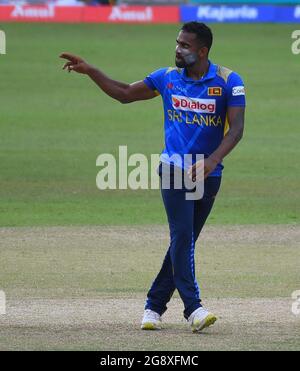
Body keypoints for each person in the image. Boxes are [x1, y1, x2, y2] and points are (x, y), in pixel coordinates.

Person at [60, 21, 245, 333]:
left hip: (209, 173)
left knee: (183, 242)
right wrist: (91, 71)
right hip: (173, 169)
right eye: (177, 42)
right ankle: (194, 308)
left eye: (185, 45)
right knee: (183, 237)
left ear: (202, 51)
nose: (178, 49)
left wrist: (213, 161)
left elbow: (237, 128)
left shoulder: (228, 81)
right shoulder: (167, 78)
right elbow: (124, 93)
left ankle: (153, 308)